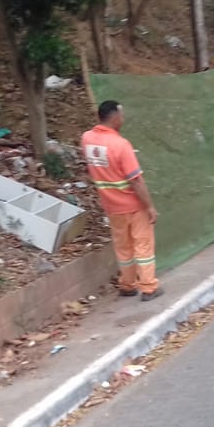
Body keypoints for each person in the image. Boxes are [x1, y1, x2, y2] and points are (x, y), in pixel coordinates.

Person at [81, 101, 161, 302]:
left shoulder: (87, 139)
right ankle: (149, 286)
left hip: (111, 206)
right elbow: (135, 180)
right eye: (122, 115)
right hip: (132, 205)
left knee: (123, 247)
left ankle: (127, 285)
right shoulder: (120, 145)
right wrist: (149, 206)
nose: (123, 119)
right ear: (115, 117)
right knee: (143, 246)